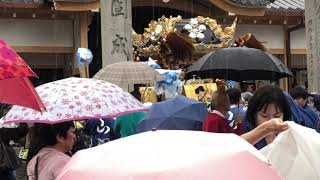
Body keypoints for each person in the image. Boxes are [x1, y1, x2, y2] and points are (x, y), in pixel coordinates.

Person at [241, 85, 291, 149]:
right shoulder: (246, 129)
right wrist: (264, 130)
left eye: (277, 116)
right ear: (254, 115)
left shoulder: (289, 135)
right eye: (264, 116)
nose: (272, 121)